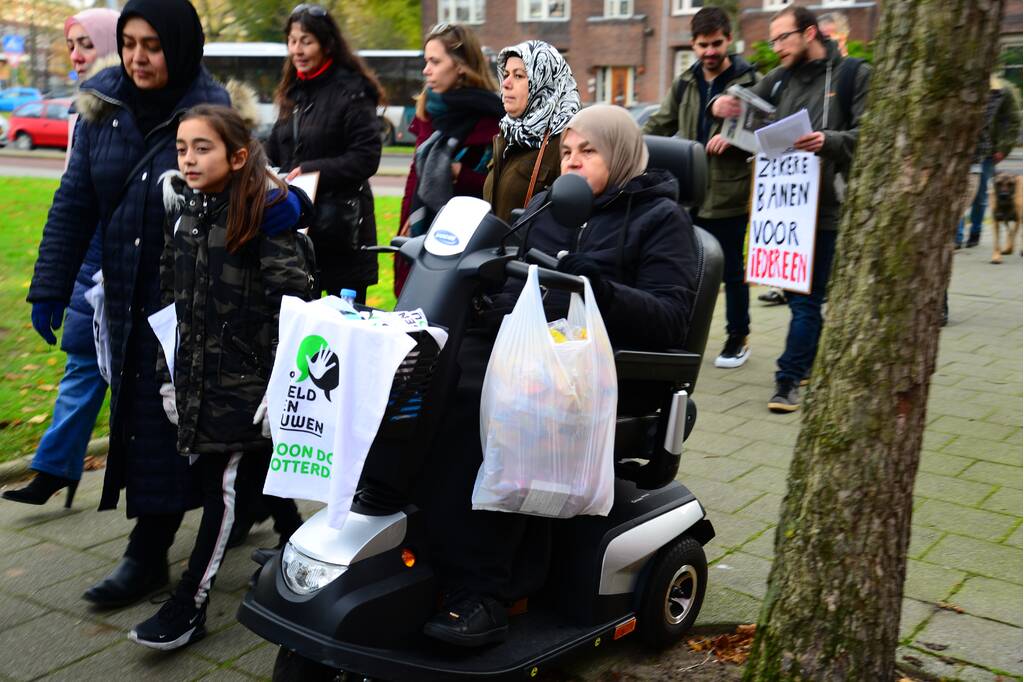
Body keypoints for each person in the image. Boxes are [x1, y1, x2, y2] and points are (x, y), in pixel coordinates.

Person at [27, 0, 300, 610]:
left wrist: (283, 209)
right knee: (152, 422)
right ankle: (257, 509)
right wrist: (50, 284)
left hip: (197, 303)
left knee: (172, 425)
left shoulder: (211, 109)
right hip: (125, 297)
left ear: (179, 44)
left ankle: (148, 553)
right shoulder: (104, 110)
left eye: (151, 44)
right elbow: (75, 202)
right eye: (128, 43)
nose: (137, 57)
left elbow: (260, 192)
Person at [421, 105, 699, 647]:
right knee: (418, 381)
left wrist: (595, 286)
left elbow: (670, 316)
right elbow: (511, 278)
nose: (572, 162)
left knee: (478, 407)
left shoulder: (661, 220)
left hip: (601, 369)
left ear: (620, 156)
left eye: (587, 151)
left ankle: (484, 592)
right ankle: (402, 545)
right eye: (567, 152)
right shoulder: (549, 208)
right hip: (525, 351)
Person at [127, 104, 312, 650]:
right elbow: (172, 302)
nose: (188, 157)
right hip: (196, 378)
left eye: (202, 148)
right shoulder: (184, 211)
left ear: (236, 156)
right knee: (250, 463)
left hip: (247, 383)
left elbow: (295, 300)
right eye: (182, 147)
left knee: (224, 488)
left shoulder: (261, 215)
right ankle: (297, 542)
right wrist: (168, 376)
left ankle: (190, 603)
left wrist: (283, 377)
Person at [711, 5, 869, 413]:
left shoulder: (853, 75)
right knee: (805, 299)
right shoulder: (779, 79)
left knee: (806, 298)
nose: (776, 47)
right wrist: (723, 107)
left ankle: (787, 379)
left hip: (827, 207)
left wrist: (828, 141)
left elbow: (868, 136)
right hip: (781, 209)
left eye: (783, 38)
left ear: (810, 33)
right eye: (773, 39)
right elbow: (738, 102)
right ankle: (801, 368)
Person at [2, 8, 119, 508]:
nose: (75, 55)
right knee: (82, 362)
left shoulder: (125, 107)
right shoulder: (81, 111)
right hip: (92, 261)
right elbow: (73, 200)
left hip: (132, 263)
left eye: (85, 45)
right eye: (71, 45)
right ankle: (55, 468)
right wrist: (52, 282)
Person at [644, 7, 758, 369]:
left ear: (729, 41)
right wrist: (629, 145)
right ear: (692, 44)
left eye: (717, 44)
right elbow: (661, 124)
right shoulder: (685, 82)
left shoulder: (751, 80)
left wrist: (736, 139)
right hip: (688, 193)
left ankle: (738, 336)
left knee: (732, 273)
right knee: (685, 269)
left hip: (728, 193)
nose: (710, 51)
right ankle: (683, 335)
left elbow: (766, 132)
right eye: (702, 45)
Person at [266, 4, 383, 302]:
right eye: (292, 41)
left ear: (326, 43)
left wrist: (312, 169)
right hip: (298, 235)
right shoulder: (291, 92)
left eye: (306, 41)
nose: (297, 49)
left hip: (343, 233)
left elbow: (367, 157)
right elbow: (276, 149)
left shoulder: (352, 91)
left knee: (343, 337)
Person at [395, 23, 503, 295]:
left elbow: (497, 186)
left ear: (461, 65)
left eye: (435, 61)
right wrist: (409, 217)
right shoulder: (428, 109)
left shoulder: (492, 118)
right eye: (426, 61)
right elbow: (415, 174)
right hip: (423, 223)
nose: (426, 70)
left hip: (466, 236)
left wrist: (460, 174)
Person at [483, 40, 580, 223]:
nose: (506, 84)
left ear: (544, 82)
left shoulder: (566, 142)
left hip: (535, 251)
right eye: (505, 75)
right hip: (495, 250)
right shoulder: (507, 135)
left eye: (519, 76)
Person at [955, 74, 1021, 249]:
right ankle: (957, 236)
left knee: (980, 193)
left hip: (988, 150)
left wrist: (1003, 147)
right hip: (961, 149)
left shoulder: (1002, 90)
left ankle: (975, 232)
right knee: (958, 192)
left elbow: (1013, 121)